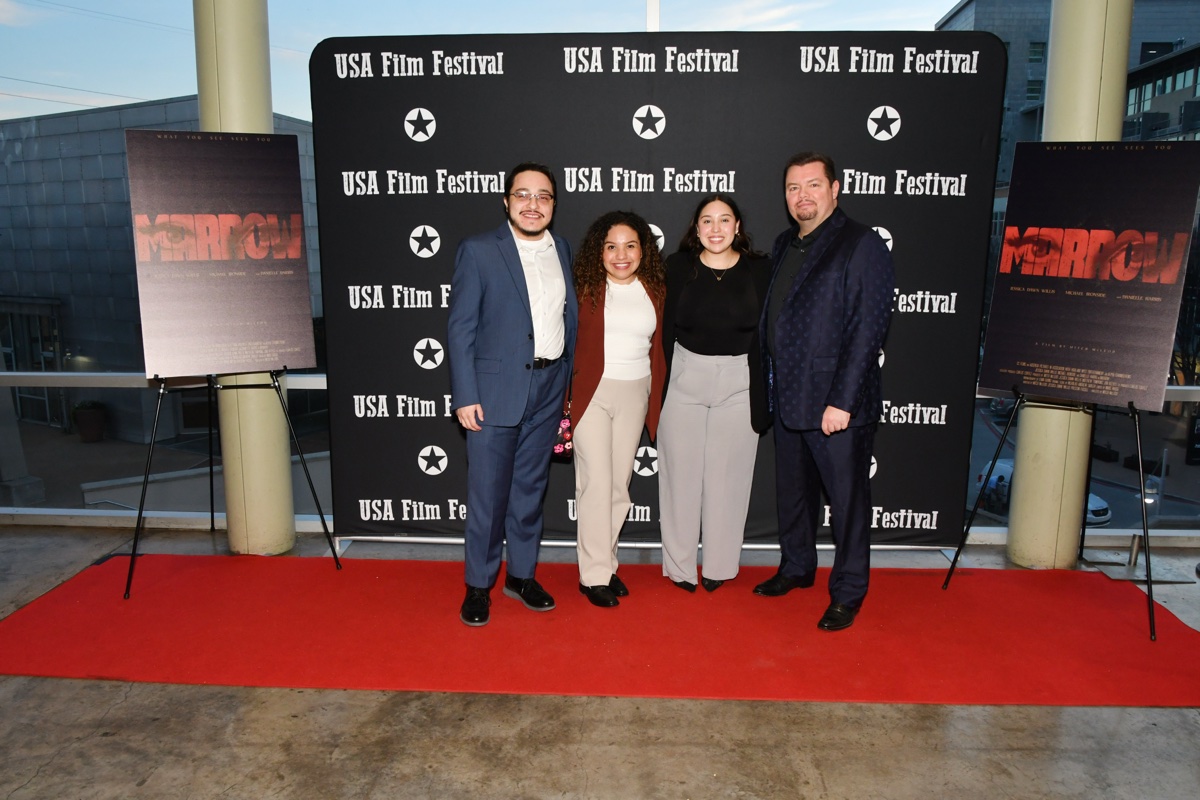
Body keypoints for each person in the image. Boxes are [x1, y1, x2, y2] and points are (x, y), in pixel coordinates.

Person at [756, 151, 895, 632]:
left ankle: (849, 591)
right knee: (793, 495)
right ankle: (797, 567)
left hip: (835, 405)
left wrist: (842, 401)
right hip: (787, 395)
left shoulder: (861, 243)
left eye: (813, 185)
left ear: (835, 189)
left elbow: (868, 330)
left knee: (847, 502)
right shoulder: (784, 243)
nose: (803, 196)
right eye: (793, 188)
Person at [446, 162, 578, 627]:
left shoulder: (562, 248)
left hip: (549, 387)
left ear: (553, 204)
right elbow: (460, 328)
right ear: (506, 201)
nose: (532, 204)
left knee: (530, 490)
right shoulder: (479, 250)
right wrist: (465, 394)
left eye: (543, 196)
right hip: (493, 392)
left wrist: (565, 383)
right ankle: (478, 586)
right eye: (523, 194)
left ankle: (521, 577)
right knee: (488, 495)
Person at [658, 194, 771, 593]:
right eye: (707, 220)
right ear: (696, 227)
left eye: (725, 220)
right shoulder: (677, 266)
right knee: (680, 477)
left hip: (740, 380)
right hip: (684, 375)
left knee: (728, 478)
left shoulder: (761, 269)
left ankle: (719, 566)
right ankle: (679, 567)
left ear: (738, 227)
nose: (716, 228)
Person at [570, 210, 667, 608]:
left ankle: (606, 565)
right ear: (599, 251)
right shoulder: (584, 289)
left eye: (630, 246)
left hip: (636, 392)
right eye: (611, 247)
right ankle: (593, 575)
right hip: (591, 393)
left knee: (617, 486)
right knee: (595, 481)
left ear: (644, 250)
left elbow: (660, 349)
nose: (621, 255)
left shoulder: (655, 290)